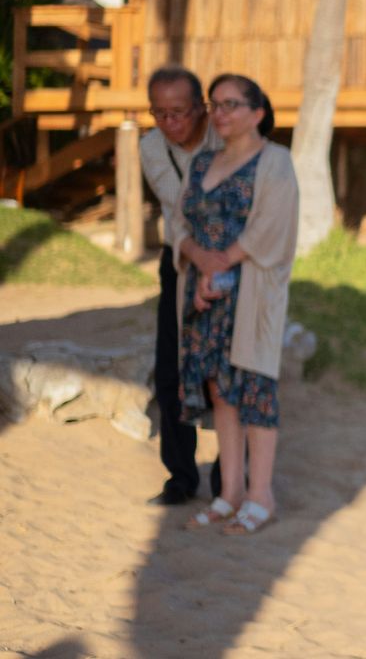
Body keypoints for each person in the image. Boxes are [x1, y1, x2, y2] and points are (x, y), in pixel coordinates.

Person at [175, 74, 297, 536]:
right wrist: (198, 260)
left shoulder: (275, 161)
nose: (220, 113)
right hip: (204, 295)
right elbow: (178, 221)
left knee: (254, 393)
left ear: (257, 113)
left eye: (230, 104)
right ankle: (230, 494)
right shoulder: (201, 162)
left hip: (249, 295)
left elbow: (273, 227)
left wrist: (220, 265)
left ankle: (261, 495)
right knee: (220, 392)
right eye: (215, 105)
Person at [137, 66, 223, 506]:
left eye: (179, 113)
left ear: (201, 109)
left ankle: (231, 478)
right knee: (171, 368)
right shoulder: (152, 147)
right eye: (160, 114)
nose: (170, 124)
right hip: (181, 263)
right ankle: (181, 476)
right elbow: (183, 201)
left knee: (228, 371)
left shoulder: (226, 137)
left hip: (230, 264)